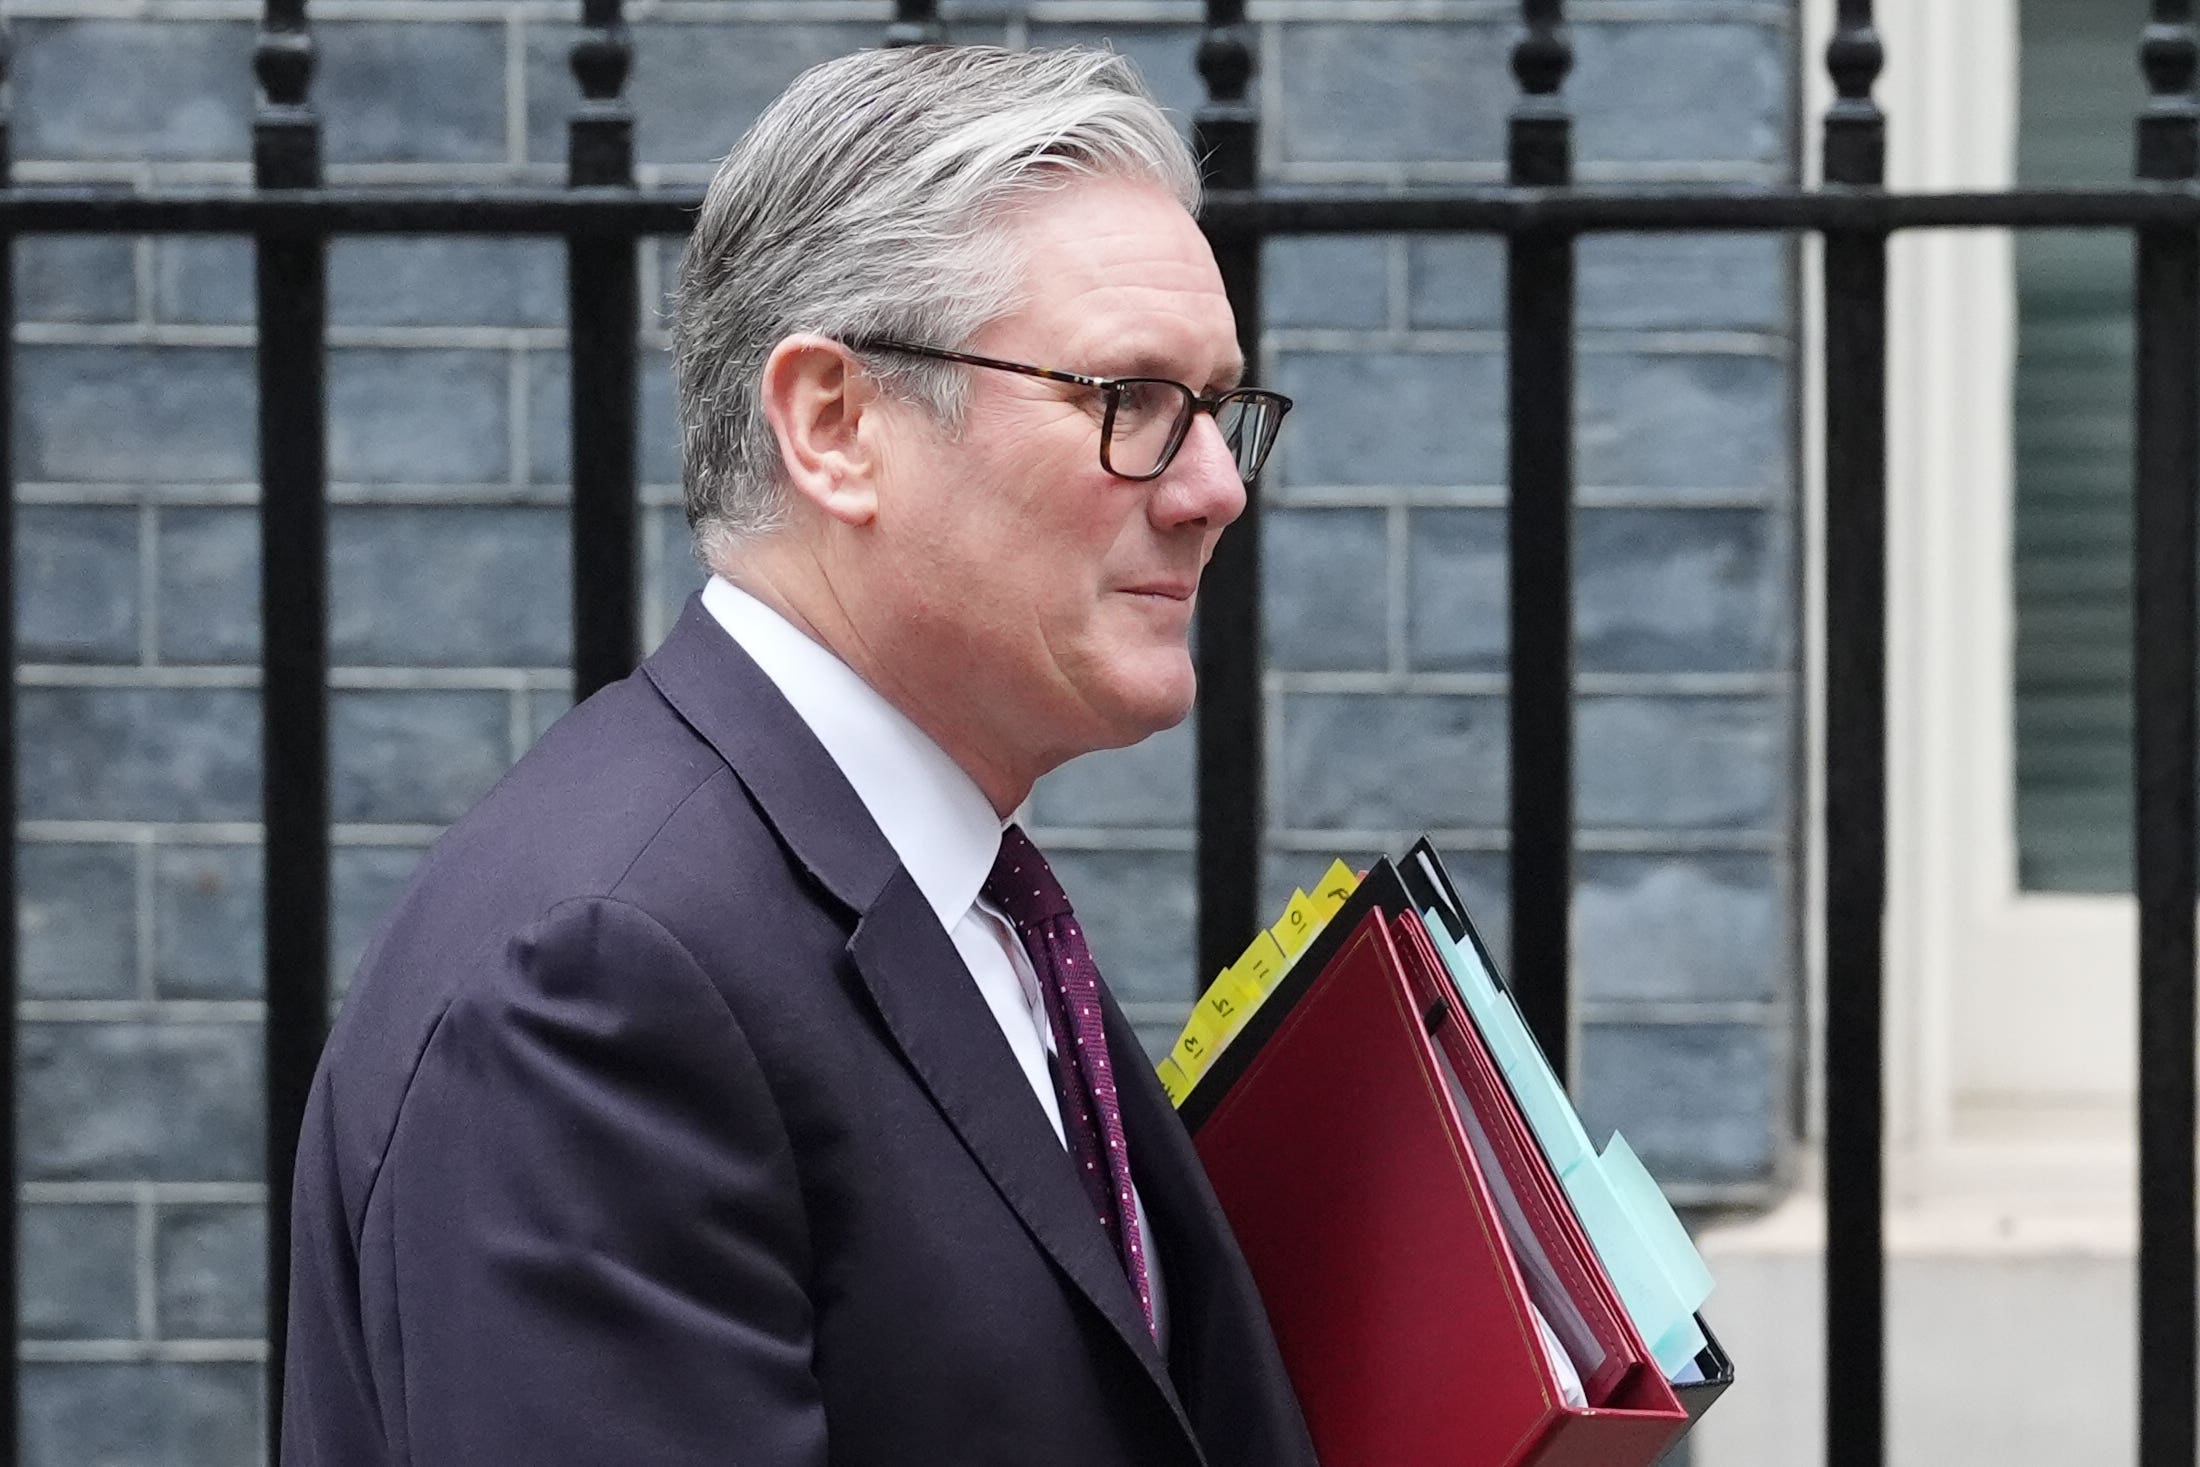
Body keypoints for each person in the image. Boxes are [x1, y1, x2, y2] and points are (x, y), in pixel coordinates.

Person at [281, 42, 1318, 1467]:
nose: (1211, 487)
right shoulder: (601, 981)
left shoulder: (949, 895)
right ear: (835, 424)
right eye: (1128, 401)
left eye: (1218, 411)